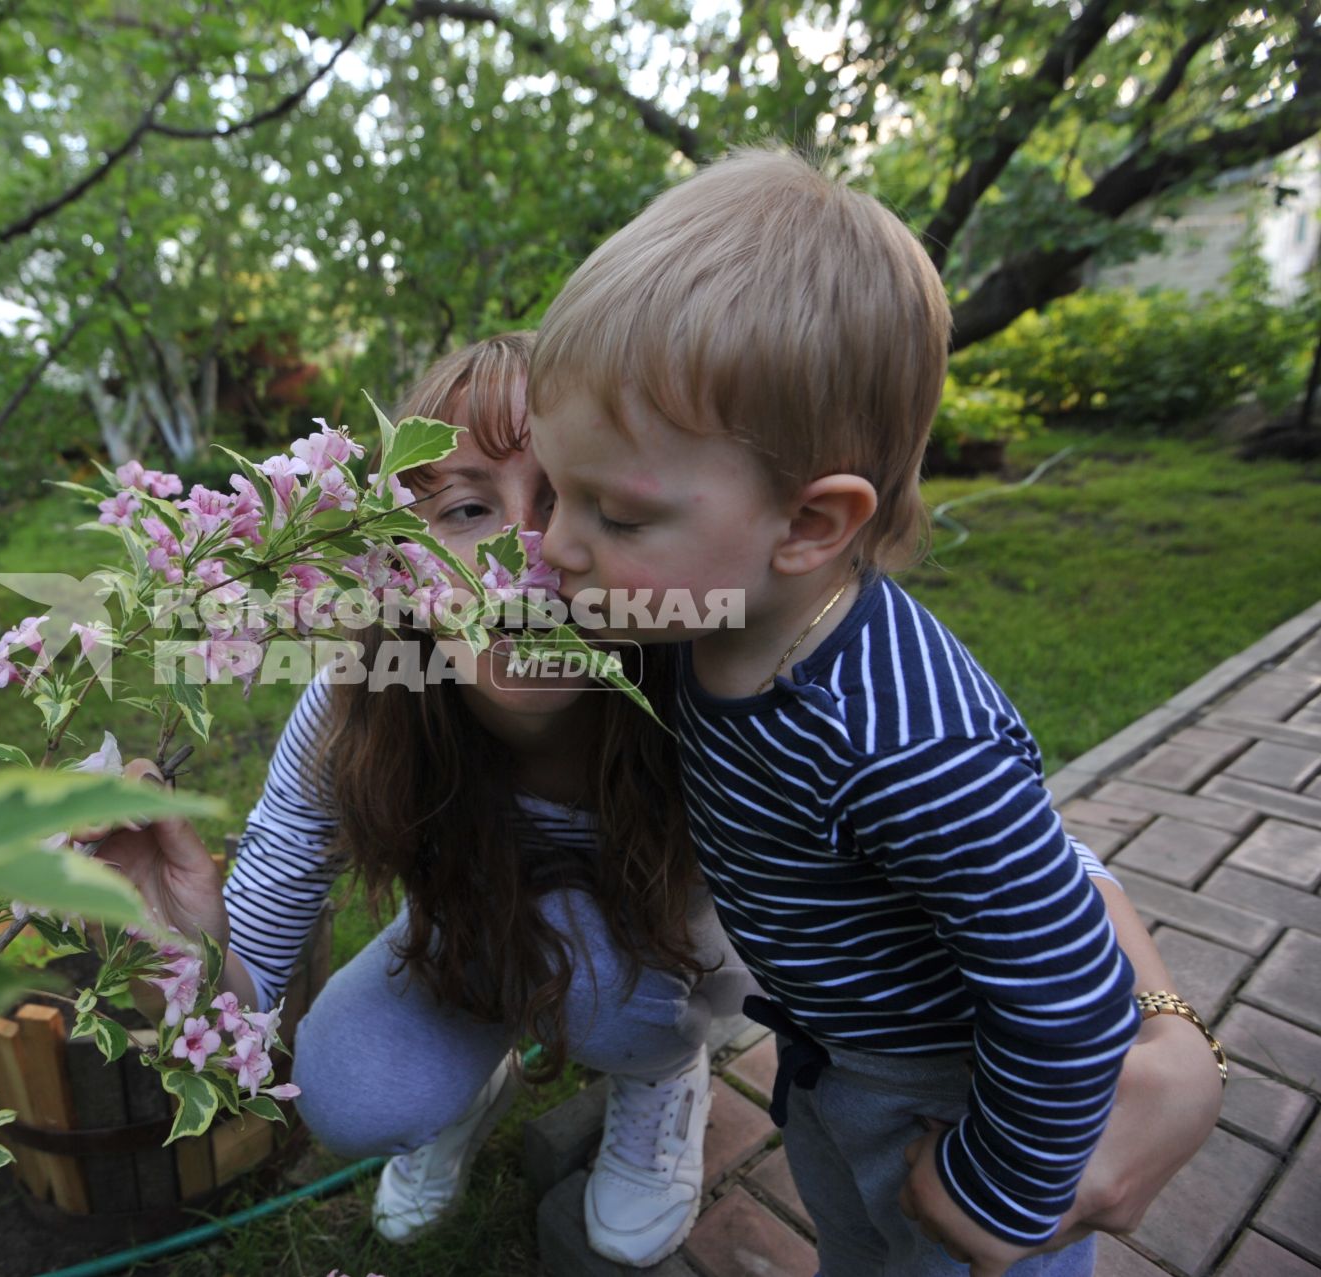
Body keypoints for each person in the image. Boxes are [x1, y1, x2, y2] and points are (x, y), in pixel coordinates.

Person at [90, 330, 1220, 1272]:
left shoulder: (719, 670)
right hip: (474, 925)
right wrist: (166, 925)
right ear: (393, 553)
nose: (535, 557)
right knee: (348, 1084)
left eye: (582, 499)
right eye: (469, 511)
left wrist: (1167, 1028)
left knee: (604, 982)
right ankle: (468, 1062)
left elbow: (998, 835)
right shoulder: (364, 699)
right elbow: (257, 945)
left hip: (665, 968)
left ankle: (657, 1077)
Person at [524, 149, 1227, 1276]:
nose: (557, 544)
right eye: (557, 490)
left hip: (954, 1101)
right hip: (833, 1061)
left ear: (809, 523)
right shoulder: (709, 617)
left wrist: (1000, 1196)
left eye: (611, 510)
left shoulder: (899, 738)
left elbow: (1069, 996)